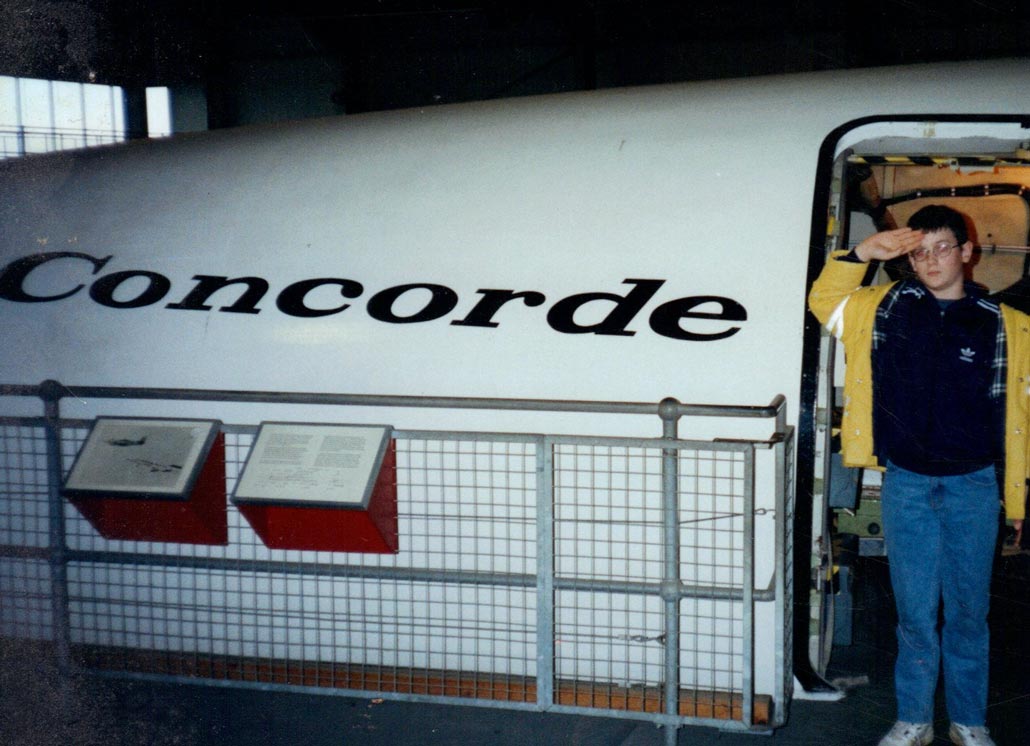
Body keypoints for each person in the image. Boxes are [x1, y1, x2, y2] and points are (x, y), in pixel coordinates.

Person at [808, 204, 1028, 746]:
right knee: (914, 614)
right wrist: (861, 254)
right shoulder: (878, 308)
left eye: (942, 248)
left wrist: (1019, 504)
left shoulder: (1008, 325)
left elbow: (1021, 420)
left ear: (968, 251)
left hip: (975, 487)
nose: (931, 260)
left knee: (969, 614)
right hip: (905, 483)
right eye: (919, 251)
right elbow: (823, 302)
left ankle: (969, 721)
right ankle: (914, 720)